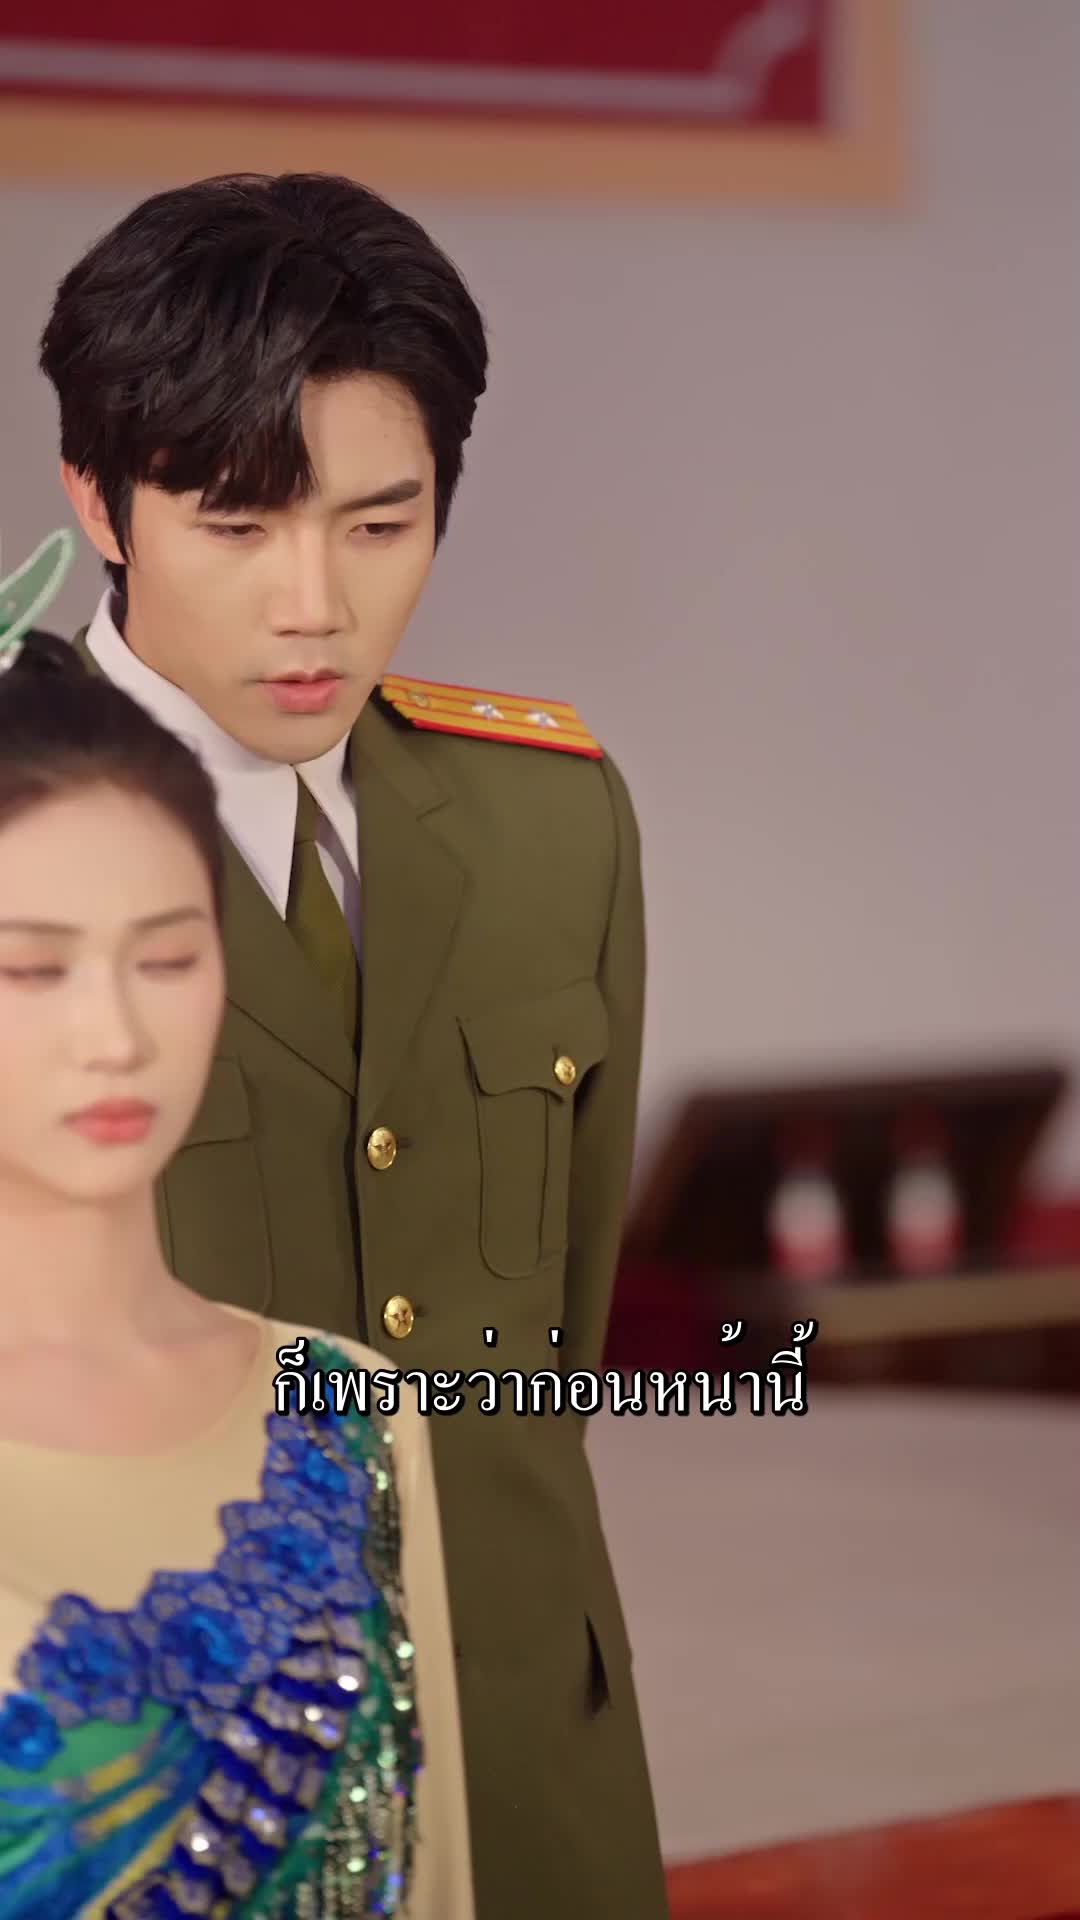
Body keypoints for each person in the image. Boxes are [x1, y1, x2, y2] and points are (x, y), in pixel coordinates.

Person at [39, 172, 668, 1919]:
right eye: (238, 528)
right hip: (150, 1791)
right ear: (96, 499)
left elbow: (556, 1330)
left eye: (380, 525)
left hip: (526, 1760)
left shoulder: (550, 819)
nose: (312, 604)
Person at [0, 605, 472, 1917]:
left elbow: (434, 1880)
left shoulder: (349, 1412)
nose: (116, 1035)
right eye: (30, 972)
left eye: (167, 958)